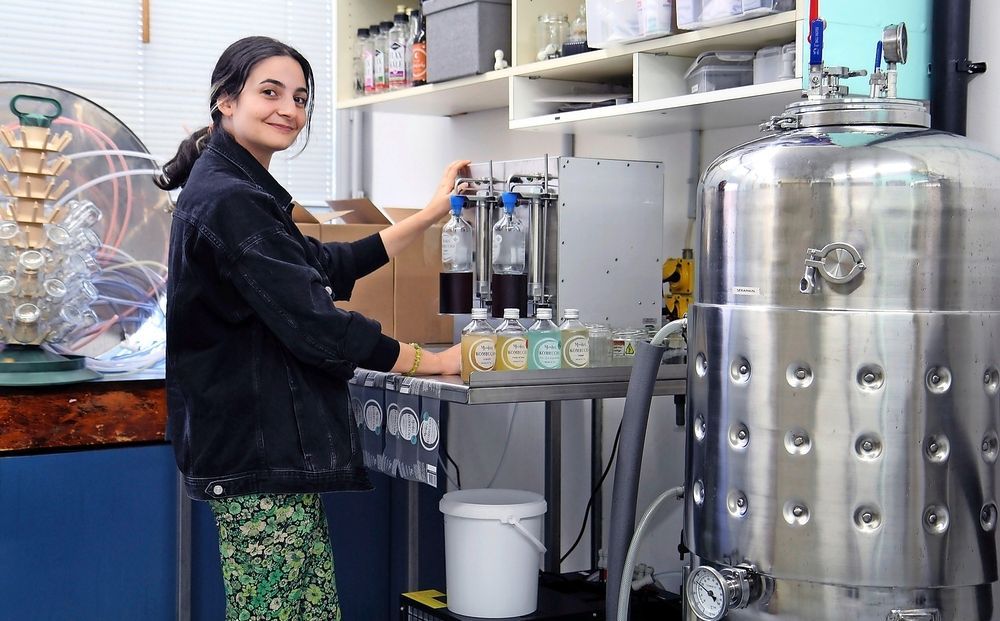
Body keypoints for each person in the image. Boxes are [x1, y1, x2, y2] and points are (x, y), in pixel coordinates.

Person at [155, 36, 466, 620]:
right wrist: (435, 361)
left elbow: (327, 266)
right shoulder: (231, 199)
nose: (288, 110)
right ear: (226, 100)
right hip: (257, 451)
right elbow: (317, 326)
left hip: (256, 451)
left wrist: (427, 217)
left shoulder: (239, 189)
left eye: (300, 98)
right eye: (269, 92)